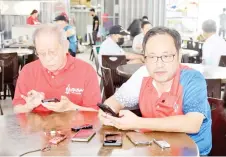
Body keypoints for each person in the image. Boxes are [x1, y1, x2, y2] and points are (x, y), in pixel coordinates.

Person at [98, 27, 212, 155]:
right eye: (152, 57)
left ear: (179, 56)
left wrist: (138, 123)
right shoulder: (143, 75)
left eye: (166, 56)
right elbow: (116, 100)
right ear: (145, 59)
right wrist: (107, 111)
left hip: (191, 152)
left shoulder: (193, 79)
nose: (159, 64)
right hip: (155, 149)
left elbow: (192, 123)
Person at [13, 25, 101, 113]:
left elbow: (95, 111)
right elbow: (17, 109)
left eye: (52, 52)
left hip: (75, 126)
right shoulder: (28, 71)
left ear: (65, 46)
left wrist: (71, 107)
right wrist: (28, 106)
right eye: (41, 53)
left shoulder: (86, 71)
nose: (47, 58)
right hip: (38, 126)